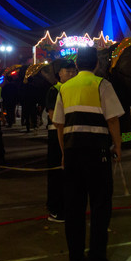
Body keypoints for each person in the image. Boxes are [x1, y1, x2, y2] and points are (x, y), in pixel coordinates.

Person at [52, 45, 124, 261]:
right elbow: (113, 120)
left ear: (75, 65)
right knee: (100, 204)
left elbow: (59, 125)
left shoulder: (64, 88)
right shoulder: (102, 84)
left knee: (74, 205)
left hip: (73, 152)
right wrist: (119, 147)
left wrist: (64, 153)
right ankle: (97, 256)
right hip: (97, 152)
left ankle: (75, 255)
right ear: (96, 64)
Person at [45, 57, 77, 223]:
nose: (71, 74)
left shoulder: (72, 89)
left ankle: (65, 206)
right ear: (59, 74)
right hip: (56, 136)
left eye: (73, 71)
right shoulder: (54, 90)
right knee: (57, 173)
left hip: (69, 134)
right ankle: (55, 209)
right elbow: (53, 117)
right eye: (67, 71)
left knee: (68, 173)